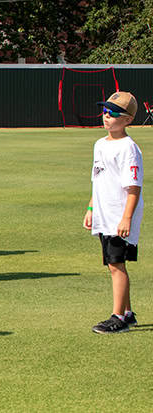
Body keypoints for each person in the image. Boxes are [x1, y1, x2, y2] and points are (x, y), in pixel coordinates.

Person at [84, 91, 143, 333]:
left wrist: (127, 217)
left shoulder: (129, 148)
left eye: (114, 113)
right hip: (103, 215)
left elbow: (133, 187)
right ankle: (127, 313)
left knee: (117, 265)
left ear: (128, 120)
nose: (107, 117)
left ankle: (118, 317)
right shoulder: (100, 144)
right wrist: (90, 208)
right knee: (113, 264)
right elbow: (97, 179)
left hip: (119, 216)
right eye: (105, 111)